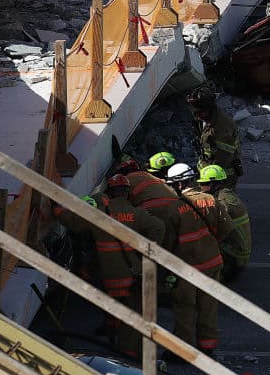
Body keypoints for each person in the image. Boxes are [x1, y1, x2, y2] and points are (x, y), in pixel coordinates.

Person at [55, 175, 165, 359]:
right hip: (132, 276)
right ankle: (128, 356)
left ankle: (114, 333)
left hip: (109, 278)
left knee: (117, 310)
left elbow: (74, 223)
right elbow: (159, 227)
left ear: (110, 192)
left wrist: (57, 209)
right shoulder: (136, 214)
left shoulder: (100, 215)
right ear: (127, 192)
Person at [163, 162, 228, 360]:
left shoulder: (175, 208)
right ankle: (207, 347)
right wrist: (211, 243)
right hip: (211, 262)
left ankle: (182, 352)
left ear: (179, 185)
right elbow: (227, 228)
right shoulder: (210, 200)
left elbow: (168, 241)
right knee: (208, 306)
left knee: (185, 308)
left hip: (188, 268)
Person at [198, 164, 251, 283]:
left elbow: (213, 226)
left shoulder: (221, 202)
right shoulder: (227, 194)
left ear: (213, 184)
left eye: (203, 184)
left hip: (233, 255)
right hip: (240, 251)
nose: (200, 187)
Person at [186, 86, 243, 188]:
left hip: (222, 174)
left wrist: (209, 178)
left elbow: (223, 157)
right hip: (207, 168)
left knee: (220, 201)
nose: (197, 115)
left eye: (200, 112)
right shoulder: (202, 118)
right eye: (195, 112)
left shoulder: (223, 125)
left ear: (209, 108)